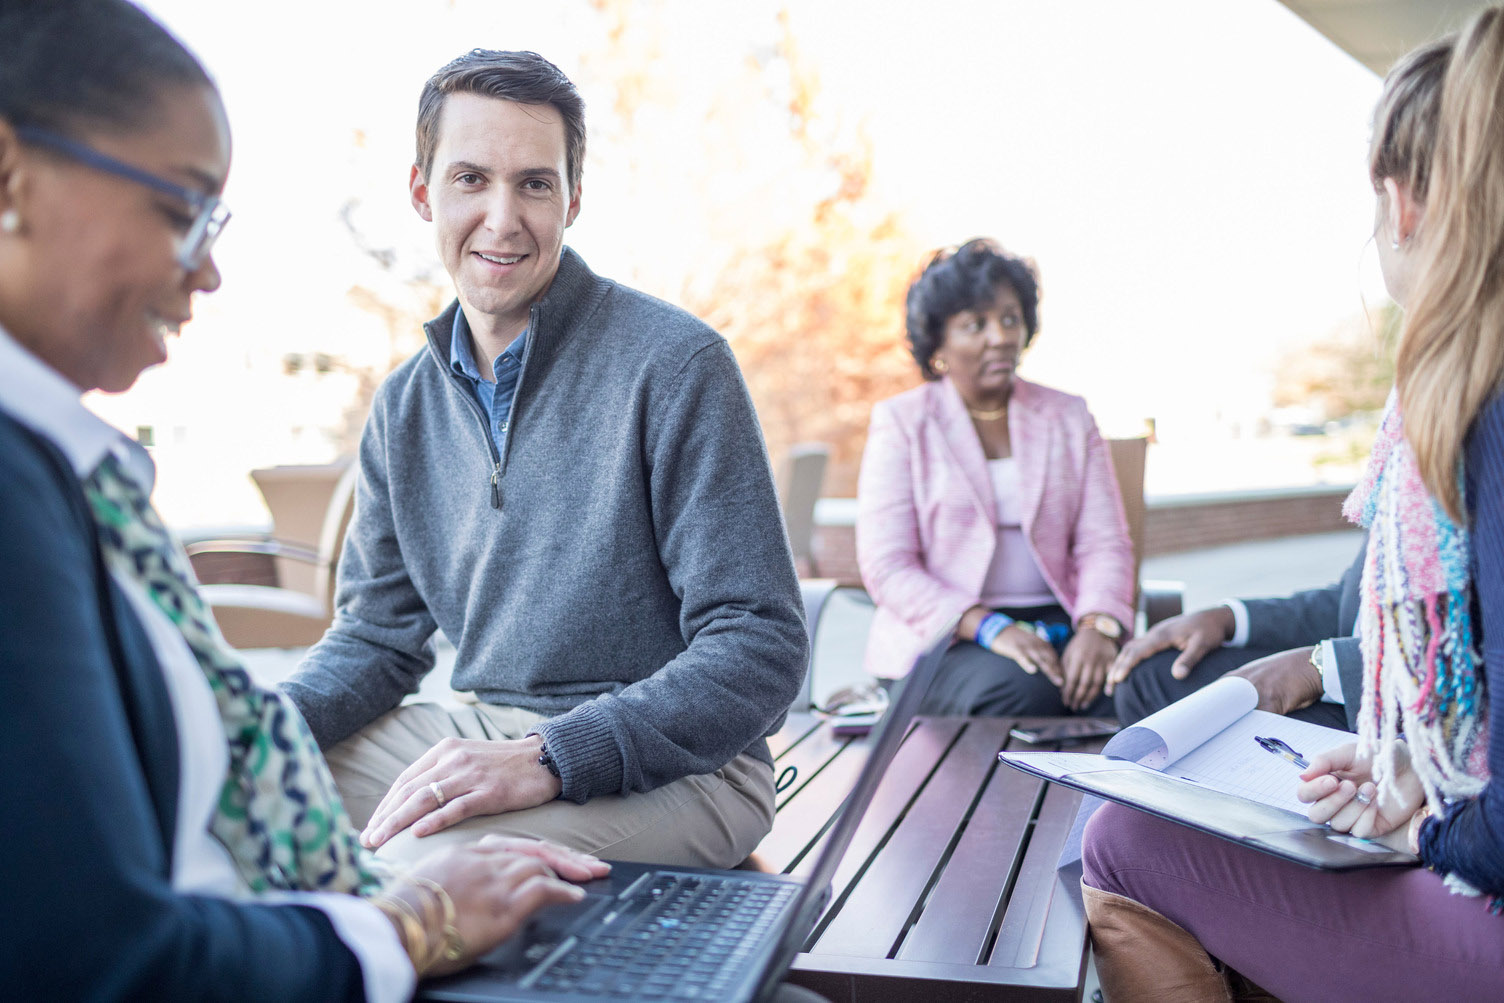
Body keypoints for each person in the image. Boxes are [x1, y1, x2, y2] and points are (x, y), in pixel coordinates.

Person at [0, 3, 611, 1000]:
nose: (209, 267)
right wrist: (404, 922)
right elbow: (93, 956)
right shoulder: (27, 490)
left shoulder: (62, 475)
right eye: (181, 208)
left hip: (614, 766)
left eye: (534, 183)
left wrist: (545, 761)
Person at [280, 50, 807, 870]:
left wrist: (549, 756)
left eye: (533, 183)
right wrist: (253, 729)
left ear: (573, 198)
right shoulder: (404, 407)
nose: (502, 217)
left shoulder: (675, 365)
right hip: (488, 732)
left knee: (425, 861)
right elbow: (377, 639)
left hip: (687, 770)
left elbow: (760, 643)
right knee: (234, 787)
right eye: (470, 180)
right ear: (422, 193)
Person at [1082, 17, 1504, 999]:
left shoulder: (1482, 415)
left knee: (1122, 839)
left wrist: (1428, 822)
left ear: (1404, 206)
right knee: (1164, 712)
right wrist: (1417, 779)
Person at [856, 240, 1136, 717]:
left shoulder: (1068, 416)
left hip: (1062, 621)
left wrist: (1098, 626)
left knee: (1131, 687)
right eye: (975, 324)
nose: (1001, 336)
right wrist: (988, 627)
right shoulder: (903, 423)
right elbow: (889, 566)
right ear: (938, 342)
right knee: (1022, 692)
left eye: (1010, 319)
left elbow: (1104, 542)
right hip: (947, 635)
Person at [1104, 537, 1367, 728]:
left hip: (1388, 712)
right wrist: (1228, 619)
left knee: (1229, 727)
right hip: (1349, 668)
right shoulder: (1393, 473)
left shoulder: (1408, 466)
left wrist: (1323, 668)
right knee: (1147, 680)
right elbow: (1350, 601)